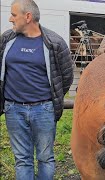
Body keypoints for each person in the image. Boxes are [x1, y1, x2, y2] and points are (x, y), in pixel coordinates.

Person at [0, 0, 74, 179]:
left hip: (43, 110)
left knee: (45, 158)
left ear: (28, 17)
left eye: (14, 14)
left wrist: (51, 99)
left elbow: (66, 76)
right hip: (13, 109)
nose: (10, 19)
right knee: (22, 159)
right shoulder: (6, 40)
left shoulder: (54, 43)